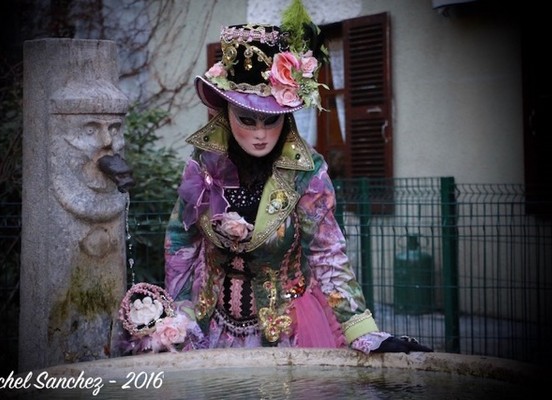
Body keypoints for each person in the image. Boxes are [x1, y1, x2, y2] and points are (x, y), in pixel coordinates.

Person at [163, 0, 432, 354]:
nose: (260, 134)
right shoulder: (203, 164)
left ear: (285, 117)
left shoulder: (308, 171)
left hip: (289, 331)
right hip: (208, 326)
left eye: (270, 120)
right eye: (247, 119)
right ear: (226, 114)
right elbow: (180, 242)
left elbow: (327, 252)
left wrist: (362, 330)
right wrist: (178, 315)